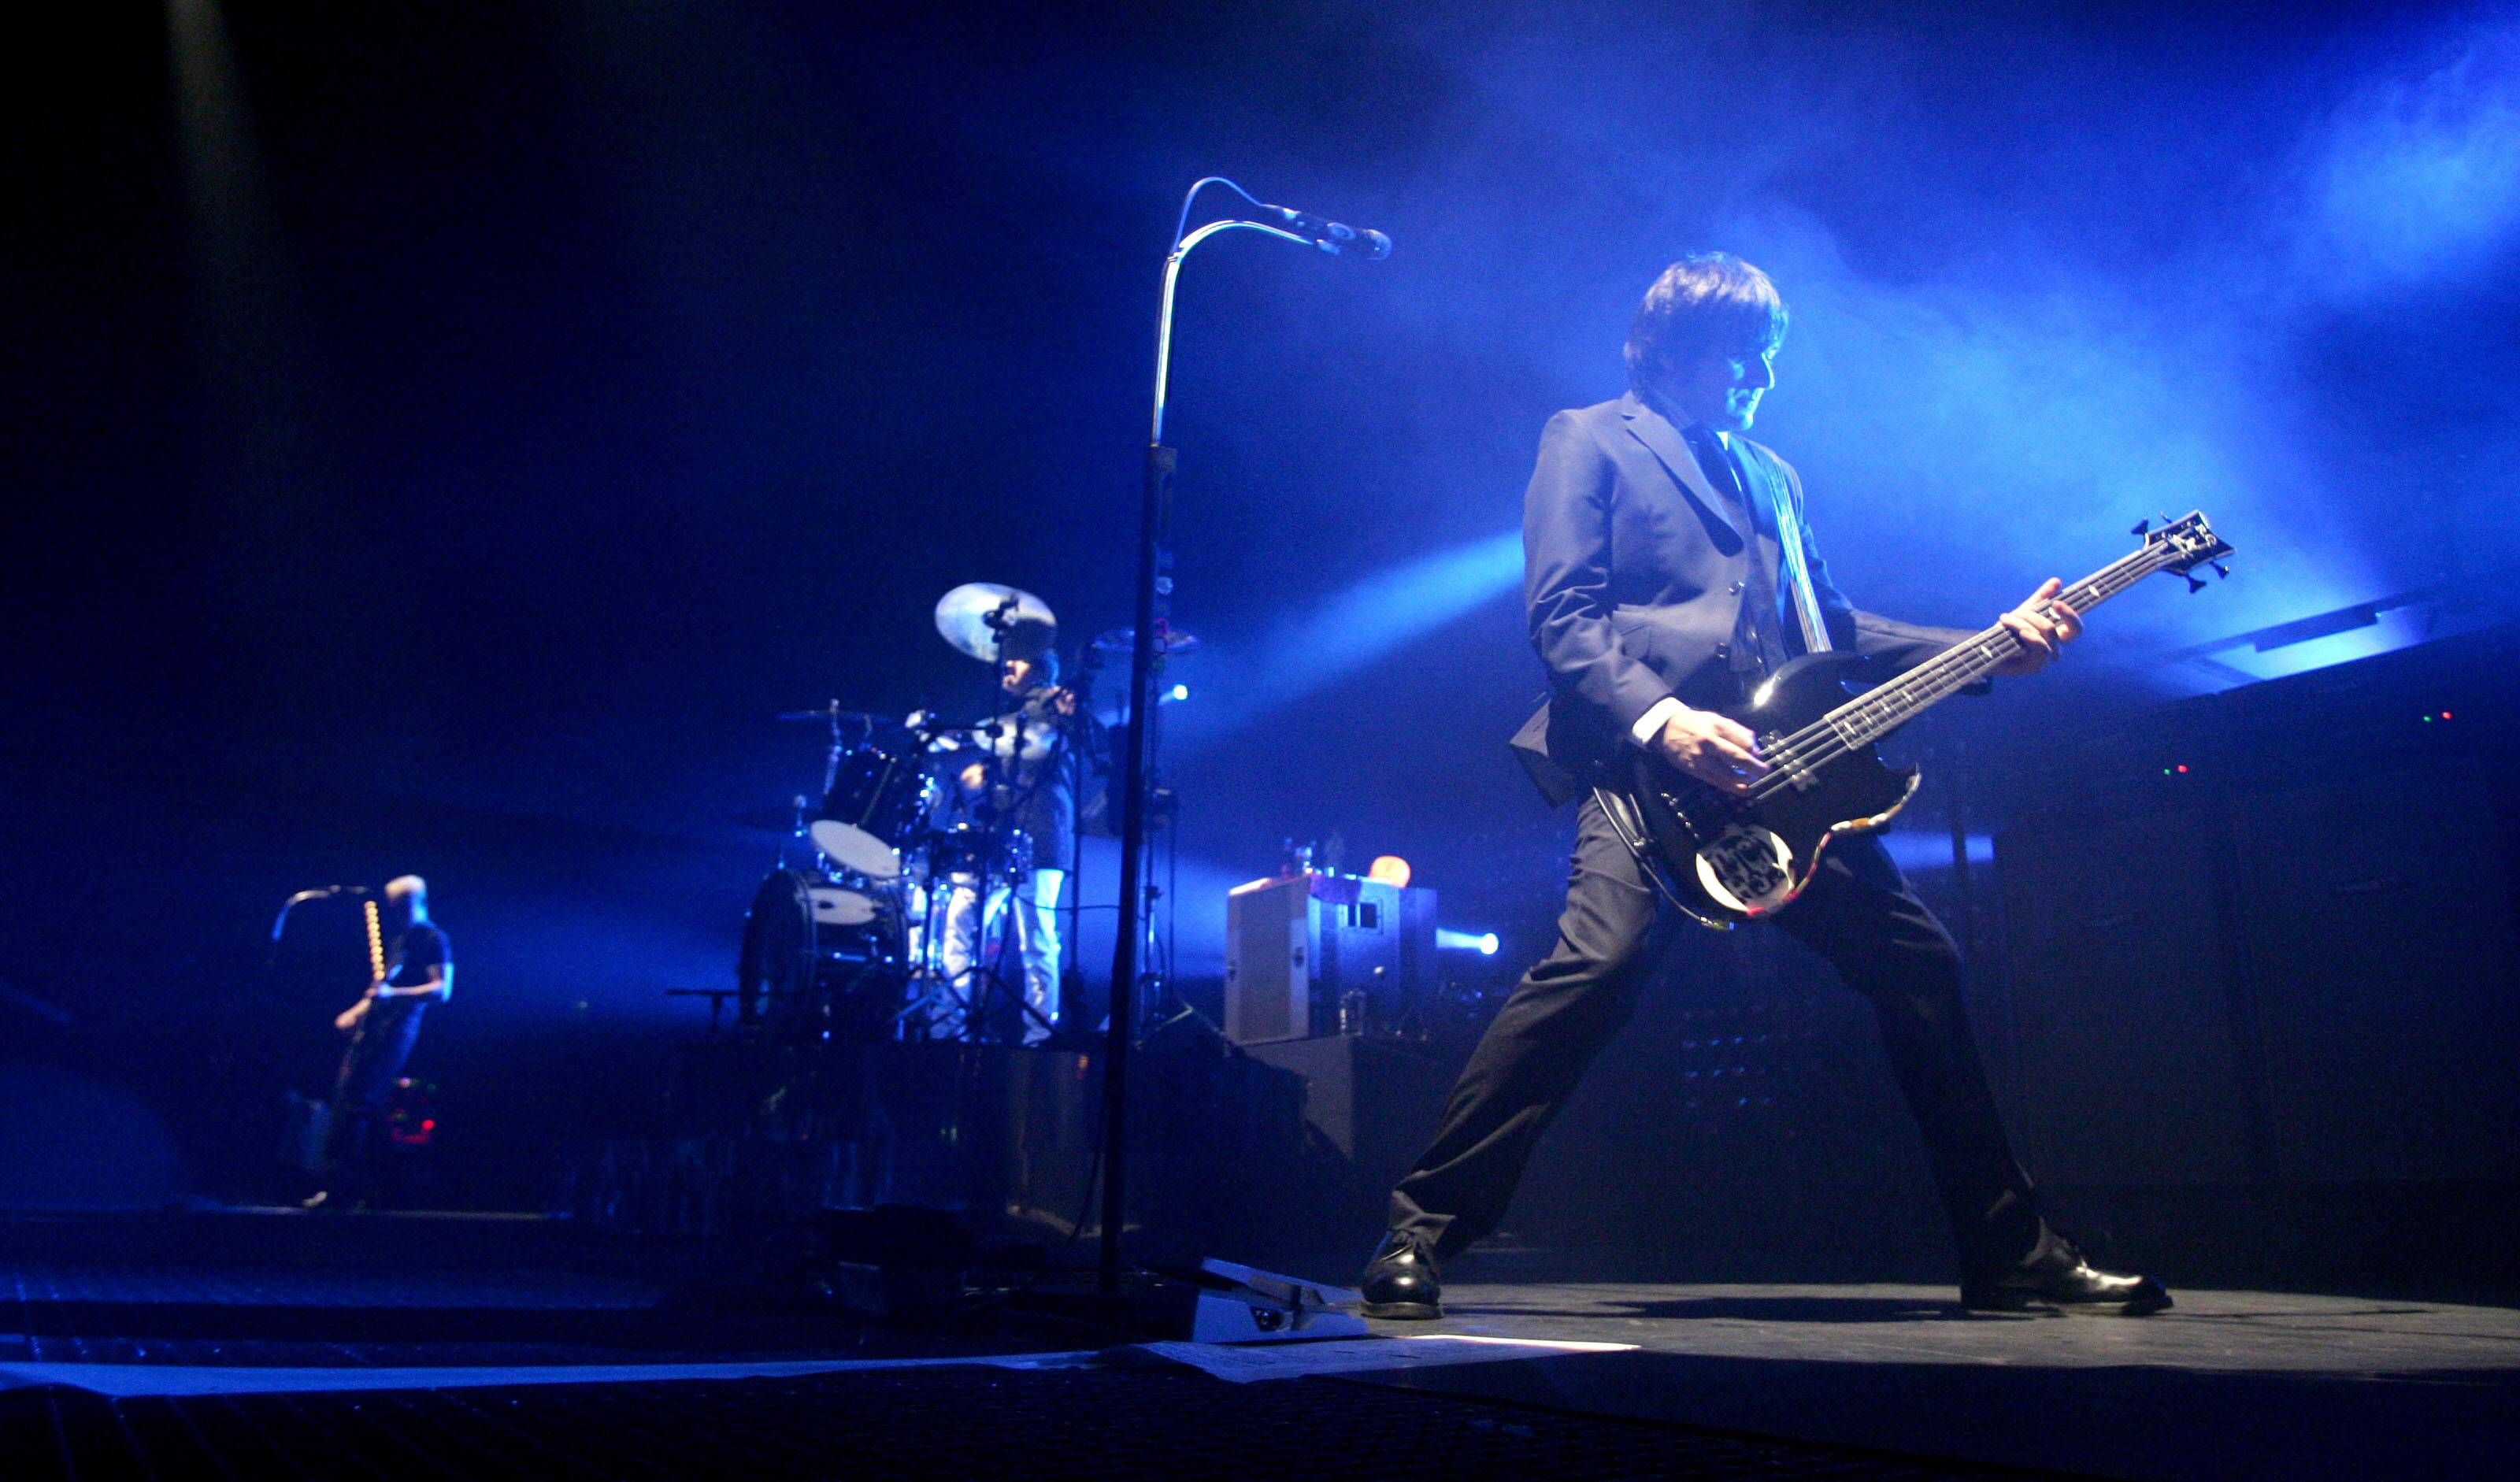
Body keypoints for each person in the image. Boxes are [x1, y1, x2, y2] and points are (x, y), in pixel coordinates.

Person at [1360, 254, 2167, 1318]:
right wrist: (1666, 720)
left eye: (1770, 358)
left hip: (1783, 782)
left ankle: (2010, 1249)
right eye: (1747, 357)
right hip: (1649, 777)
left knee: (1920, 964)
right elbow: (1565, 618)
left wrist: (1984, 645)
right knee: (1597, 968)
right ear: (1674, 348)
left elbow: (1833, 630)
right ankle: (1420, 1229)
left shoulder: (1773, 475)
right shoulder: (1588, 436)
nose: (1765, 380)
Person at [924, 632, 1085, 1043]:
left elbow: (1083, 738)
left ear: (1041, 667)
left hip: (1042, 837)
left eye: (1018, 660)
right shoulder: (1007, 719)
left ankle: (1037, 1034)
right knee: (963, 923)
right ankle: (952, 1026)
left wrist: (1068, 711)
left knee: (1035, 935)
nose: (1007, 667)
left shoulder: (1057, 706)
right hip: (995, 838)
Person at [308, 875, 451, 1210]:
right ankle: (371, 1188)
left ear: (418, 902)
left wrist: (393, 995)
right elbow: (380, 990)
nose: (398, 912)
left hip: (399, 1028)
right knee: (353, 1104)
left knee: (360, 1104)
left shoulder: (433, 938)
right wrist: (355, 1013)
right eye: (394, 906)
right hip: (376, 1028)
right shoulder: (402, 940)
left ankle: (344, 1190)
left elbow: (441, 990)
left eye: (403, 906)